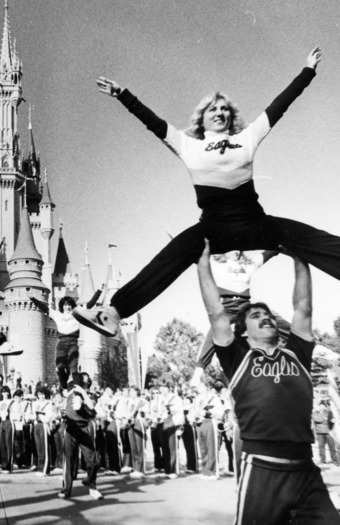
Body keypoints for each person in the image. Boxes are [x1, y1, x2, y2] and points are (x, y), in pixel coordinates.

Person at [75, 47, 340, 337]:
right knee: (173, 253)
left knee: (311, 239)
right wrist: (123, 94)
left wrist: (308, 71)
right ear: (202, 119)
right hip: (214, 229)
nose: (220, 113)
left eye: (224, 109)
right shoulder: (187, 145)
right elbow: (151, 121)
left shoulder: (247, 137)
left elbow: (281, 105)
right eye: (213, 109)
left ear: (231, 117)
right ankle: (113, 313)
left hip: (255, 224)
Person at [197, 238, 340, 524]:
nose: (265, 318)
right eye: (256, 315)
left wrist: (300, 259)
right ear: (243, 331)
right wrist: (203, 265)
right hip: (262, 470)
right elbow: (216, 314)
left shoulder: (297, 352)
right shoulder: (237, 358)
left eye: (268, 315)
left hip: (305, 470)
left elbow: (303, 308)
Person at [30, 290, 101, 388]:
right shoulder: (57, 315)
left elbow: (90, 304)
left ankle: (77, 387)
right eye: (65, 305)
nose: (67, 307)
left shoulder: (77, 313)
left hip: (73, 343)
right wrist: (33, 299)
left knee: (73, 368)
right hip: (62, 343)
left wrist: (99, 291)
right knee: (60, 367)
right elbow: (44, 308)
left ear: (72, 306)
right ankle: (63, 386)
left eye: (69, 305)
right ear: (62, 306)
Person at [58, 373, 103, 500]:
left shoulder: (90, 395)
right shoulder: (71, 393)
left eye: (84, 380)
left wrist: (82, 392)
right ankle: (66, 489)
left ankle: (91, 485)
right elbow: (63, 400)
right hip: (71, 428)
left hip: (84, 428)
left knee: (92, 460)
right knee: (68, 459)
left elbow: (92, 406)